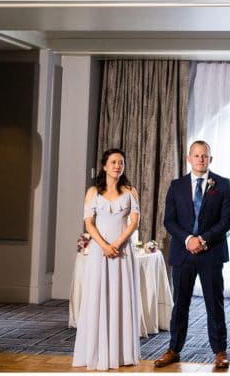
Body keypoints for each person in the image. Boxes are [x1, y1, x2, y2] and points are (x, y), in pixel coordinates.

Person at [155, 141, 230, 370]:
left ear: (211, 158)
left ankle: (220, 351)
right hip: (183, 253)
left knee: (214, 304)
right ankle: (174, 349)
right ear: (189, 158)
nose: (201, 159)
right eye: (197, 155)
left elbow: (227, 219)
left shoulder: (222, 184)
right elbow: (169, 219)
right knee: (180, 304)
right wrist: (188, 239)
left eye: (205, 156)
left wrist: (204, 239)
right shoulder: (176, 185)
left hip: (211, 254)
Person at [72, 149, 140, 370]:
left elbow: (134, 223)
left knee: (121, 296)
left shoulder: (131, 191)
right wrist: (104, 246)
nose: (117, 166)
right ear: (104, 166)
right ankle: (95, 351)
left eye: (121, 162)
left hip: (122, 252)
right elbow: (89, 222)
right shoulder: (93, 192)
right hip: (99, 252)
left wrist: (117, 244)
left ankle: (120, 353)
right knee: (97, 296)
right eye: (113, 162)